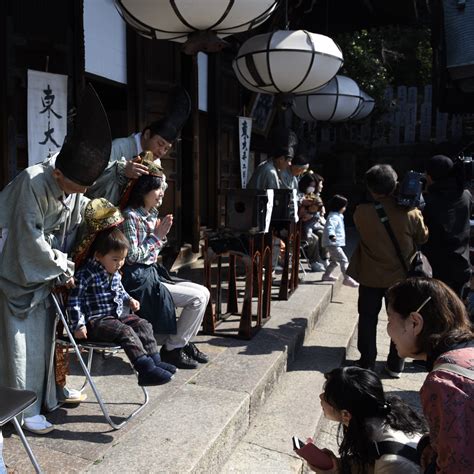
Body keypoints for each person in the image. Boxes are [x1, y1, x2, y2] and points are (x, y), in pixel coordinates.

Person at [0, 85, 111, 434]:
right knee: (22, 346)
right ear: (59, 173)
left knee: (45, 343)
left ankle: (46, 396)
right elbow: (26, 240)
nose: (80, 194)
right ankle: (23, 409)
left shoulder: (72, 185)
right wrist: (63, 266)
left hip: (44, 276)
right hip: (17, 274)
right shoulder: (32, 182)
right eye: (77, 187)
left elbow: (73, 228)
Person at [67, 208, 176, 386]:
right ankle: (145, 369)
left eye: (123, 259)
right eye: (115, 259)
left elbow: (119, 290)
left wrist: (128, 299)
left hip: (116, 316)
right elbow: (74, 300)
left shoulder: (115, 272)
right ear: (98, 256)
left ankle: (154, 360)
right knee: (126, 331)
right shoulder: (87, 273)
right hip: (96, 322)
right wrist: (78, 324)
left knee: (143, 324)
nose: (120, 264)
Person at [121, 158, 210, 369]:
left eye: (163, 188)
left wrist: (159, 237)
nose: (162, 193)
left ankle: (181, 343)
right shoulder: (130, 217)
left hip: (151, 274)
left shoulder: (150, 214)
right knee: (196, 299)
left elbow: (150, 251)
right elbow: (132, 256)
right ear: (144, 191)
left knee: (204, 292)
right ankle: (173, 349)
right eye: (158, 189)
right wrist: (158, 236)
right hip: (138, 280)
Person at [347, 164, 429, 377]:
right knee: (400, 319)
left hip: (370, 275)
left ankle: (366, 360)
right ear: (395, 185)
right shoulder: (411, 212)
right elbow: (423, 237)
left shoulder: (361, 212)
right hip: (400, 278)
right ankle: (395, 364)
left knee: (367, 317)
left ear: (371, 189)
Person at [386, 277, 474, 474]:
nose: (388, 330)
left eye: (390, 319)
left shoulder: (443, 382)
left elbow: (457, 467)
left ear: (415, 322)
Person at [310, 366, 426, 473]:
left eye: (327, 396)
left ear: (346, 414)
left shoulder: (392, 462)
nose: (321, 396)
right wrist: (340, 465)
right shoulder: (383, 413)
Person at [86, 87, 191, 205]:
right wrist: (122, 170)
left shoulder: (156, 163)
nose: (162, 151)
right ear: (147, 134)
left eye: (166, 148)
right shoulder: (119, 147)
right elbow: (91, 180)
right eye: (160, 144)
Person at [422, 154, 472, 298]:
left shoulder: (430, 202)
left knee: (439, 313)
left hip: (438, 269)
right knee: (457, 313)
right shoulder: (466, 195)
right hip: (462, 264)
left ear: (430, 176)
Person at [321, 195, 358, 288]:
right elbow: (330, 227)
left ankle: (326, 275)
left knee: (335, 261)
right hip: (332, 243)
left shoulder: (337, 216)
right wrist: (331, 235)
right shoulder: (333, 217)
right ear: (339, 207)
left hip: (333, 243)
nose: (345, 208)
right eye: (344, 206)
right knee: (344, 260)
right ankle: (347, 278)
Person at [247, 126, 298, 190]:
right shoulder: (270, 171)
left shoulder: (268, 165)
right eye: (289, 160)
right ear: (281, 159)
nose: (290, 164)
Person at [299, 194, 327, 272]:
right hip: (301, 229)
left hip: (313, 227)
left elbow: (314, 223)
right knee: (314, 238)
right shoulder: (303, 209)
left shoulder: (316, 214)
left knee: (322, 233)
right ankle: (314, 261)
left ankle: (324, 258)